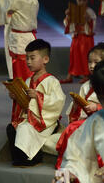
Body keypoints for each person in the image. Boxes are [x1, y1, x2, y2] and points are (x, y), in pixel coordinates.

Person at [55, 42, 104, 168]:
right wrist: (77, 106)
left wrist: (97, 108)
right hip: (89, 123)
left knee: (75, 129)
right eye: (90, 62)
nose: (92, 66)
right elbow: (77, 115)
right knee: (74, 128)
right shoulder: (86, 85)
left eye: (97, 62)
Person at [6, 39, 66, 167]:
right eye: (27, 58)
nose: (28, 62)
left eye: (32, 58)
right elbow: (26, 102)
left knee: (25, 128)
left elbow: (58, 101)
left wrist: (38, 96)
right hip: (30, 117)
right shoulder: (28, 80)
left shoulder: (52, 81)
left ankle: (32, 157)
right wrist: (17, 97)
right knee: (12, 127)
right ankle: (20, 157)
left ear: (45, 59)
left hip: (45, 121)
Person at [61, 0, 97, 84]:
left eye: (84, 0)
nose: (81, 2)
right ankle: (70, 75)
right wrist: (67, 17)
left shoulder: (90, 12)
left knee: (85, 56)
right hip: (76, 37)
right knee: (74, 57)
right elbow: (66, 23)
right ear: (76, 0)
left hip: (86, 38)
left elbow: (93, 24)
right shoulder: (73, 10)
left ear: (88, 0)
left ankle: (86, 75)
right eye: (79, 0)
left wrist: (88, 20)